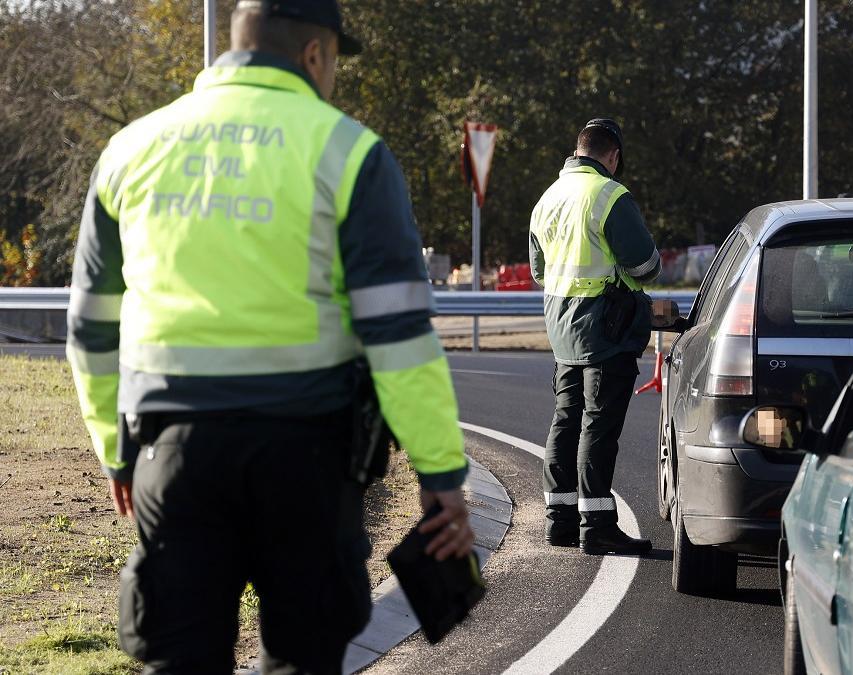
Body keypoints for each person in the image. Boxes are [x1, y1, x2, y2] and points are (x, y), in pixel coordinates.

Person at [66, 1, 473, 671]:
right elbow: (399, 338)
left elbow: (89, 327)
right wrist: (440, 474)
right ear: (315, 55)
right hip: (307, 458)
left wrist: (118, 454)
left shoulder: (130, 151)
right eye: (336, 62)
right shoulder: (349, 152)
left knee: (178, 658)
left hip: (173, 455)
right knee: (303, 659)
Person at [529, 118, 661, 556]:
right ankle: (598, 525)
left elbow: (537, 271)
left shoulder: (547, 198)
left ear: (578, 149)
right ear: (614, 156)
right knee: (598, 428)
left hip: (562, 330)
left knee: (565, 421)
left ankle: (559, 521)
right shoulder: (609, 196)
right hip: (606, 329)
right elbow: (646, 266)